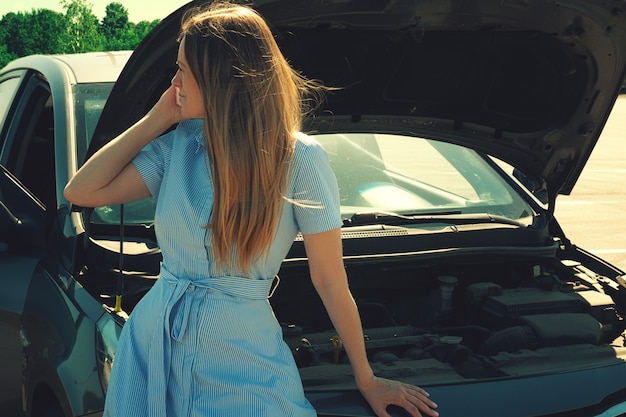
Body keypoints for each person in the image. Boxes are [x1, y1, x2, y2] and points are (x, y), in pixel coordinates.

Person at [64, 2, 439, 417]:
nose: (174, 81)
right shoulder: (178, 147)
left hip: (241, 357)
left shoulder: (299, 159)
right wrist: (158, 116)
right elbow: (82, 191)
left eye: (183, 69)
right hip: (154, 345)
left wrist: (365, 377)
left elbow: (330, 280)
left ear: (220, 78)